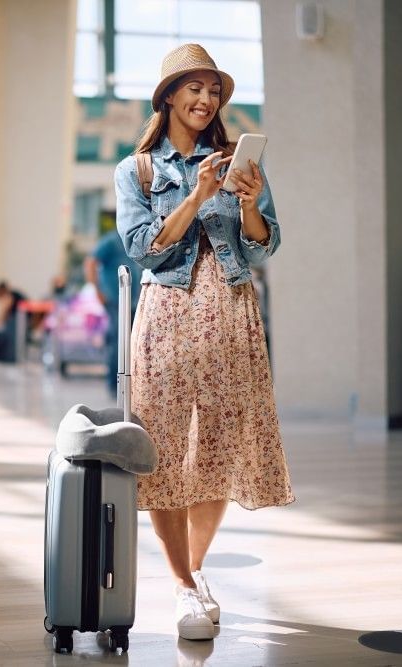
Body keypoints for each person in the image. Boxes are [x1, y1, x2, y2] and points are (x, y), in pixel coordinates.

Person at [113, 43, 294, 641]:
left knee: (218, 447)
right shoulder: (136, 171)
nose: (206, 99)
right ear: (168, 96)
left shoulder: (235, 163)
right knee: (163, 447)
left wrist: (248, 204)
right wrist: (196, 194)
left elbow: (263, 247)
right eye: (194, 88)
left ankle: (192, 573)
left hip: (232, 311)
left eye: (213, 91)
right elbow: (143, 248)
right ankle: (183, 585)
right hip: (166, 312)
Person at [84, 226, 142, 395]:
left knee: (129, 342)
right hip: (115, 299)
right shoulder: (111, 240)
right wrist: (97, 291)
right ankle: (115, 385)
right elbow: (90, 263)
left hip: (131, 301)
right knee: (119, 342)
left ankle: (127, 386)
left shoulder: (134, 238)